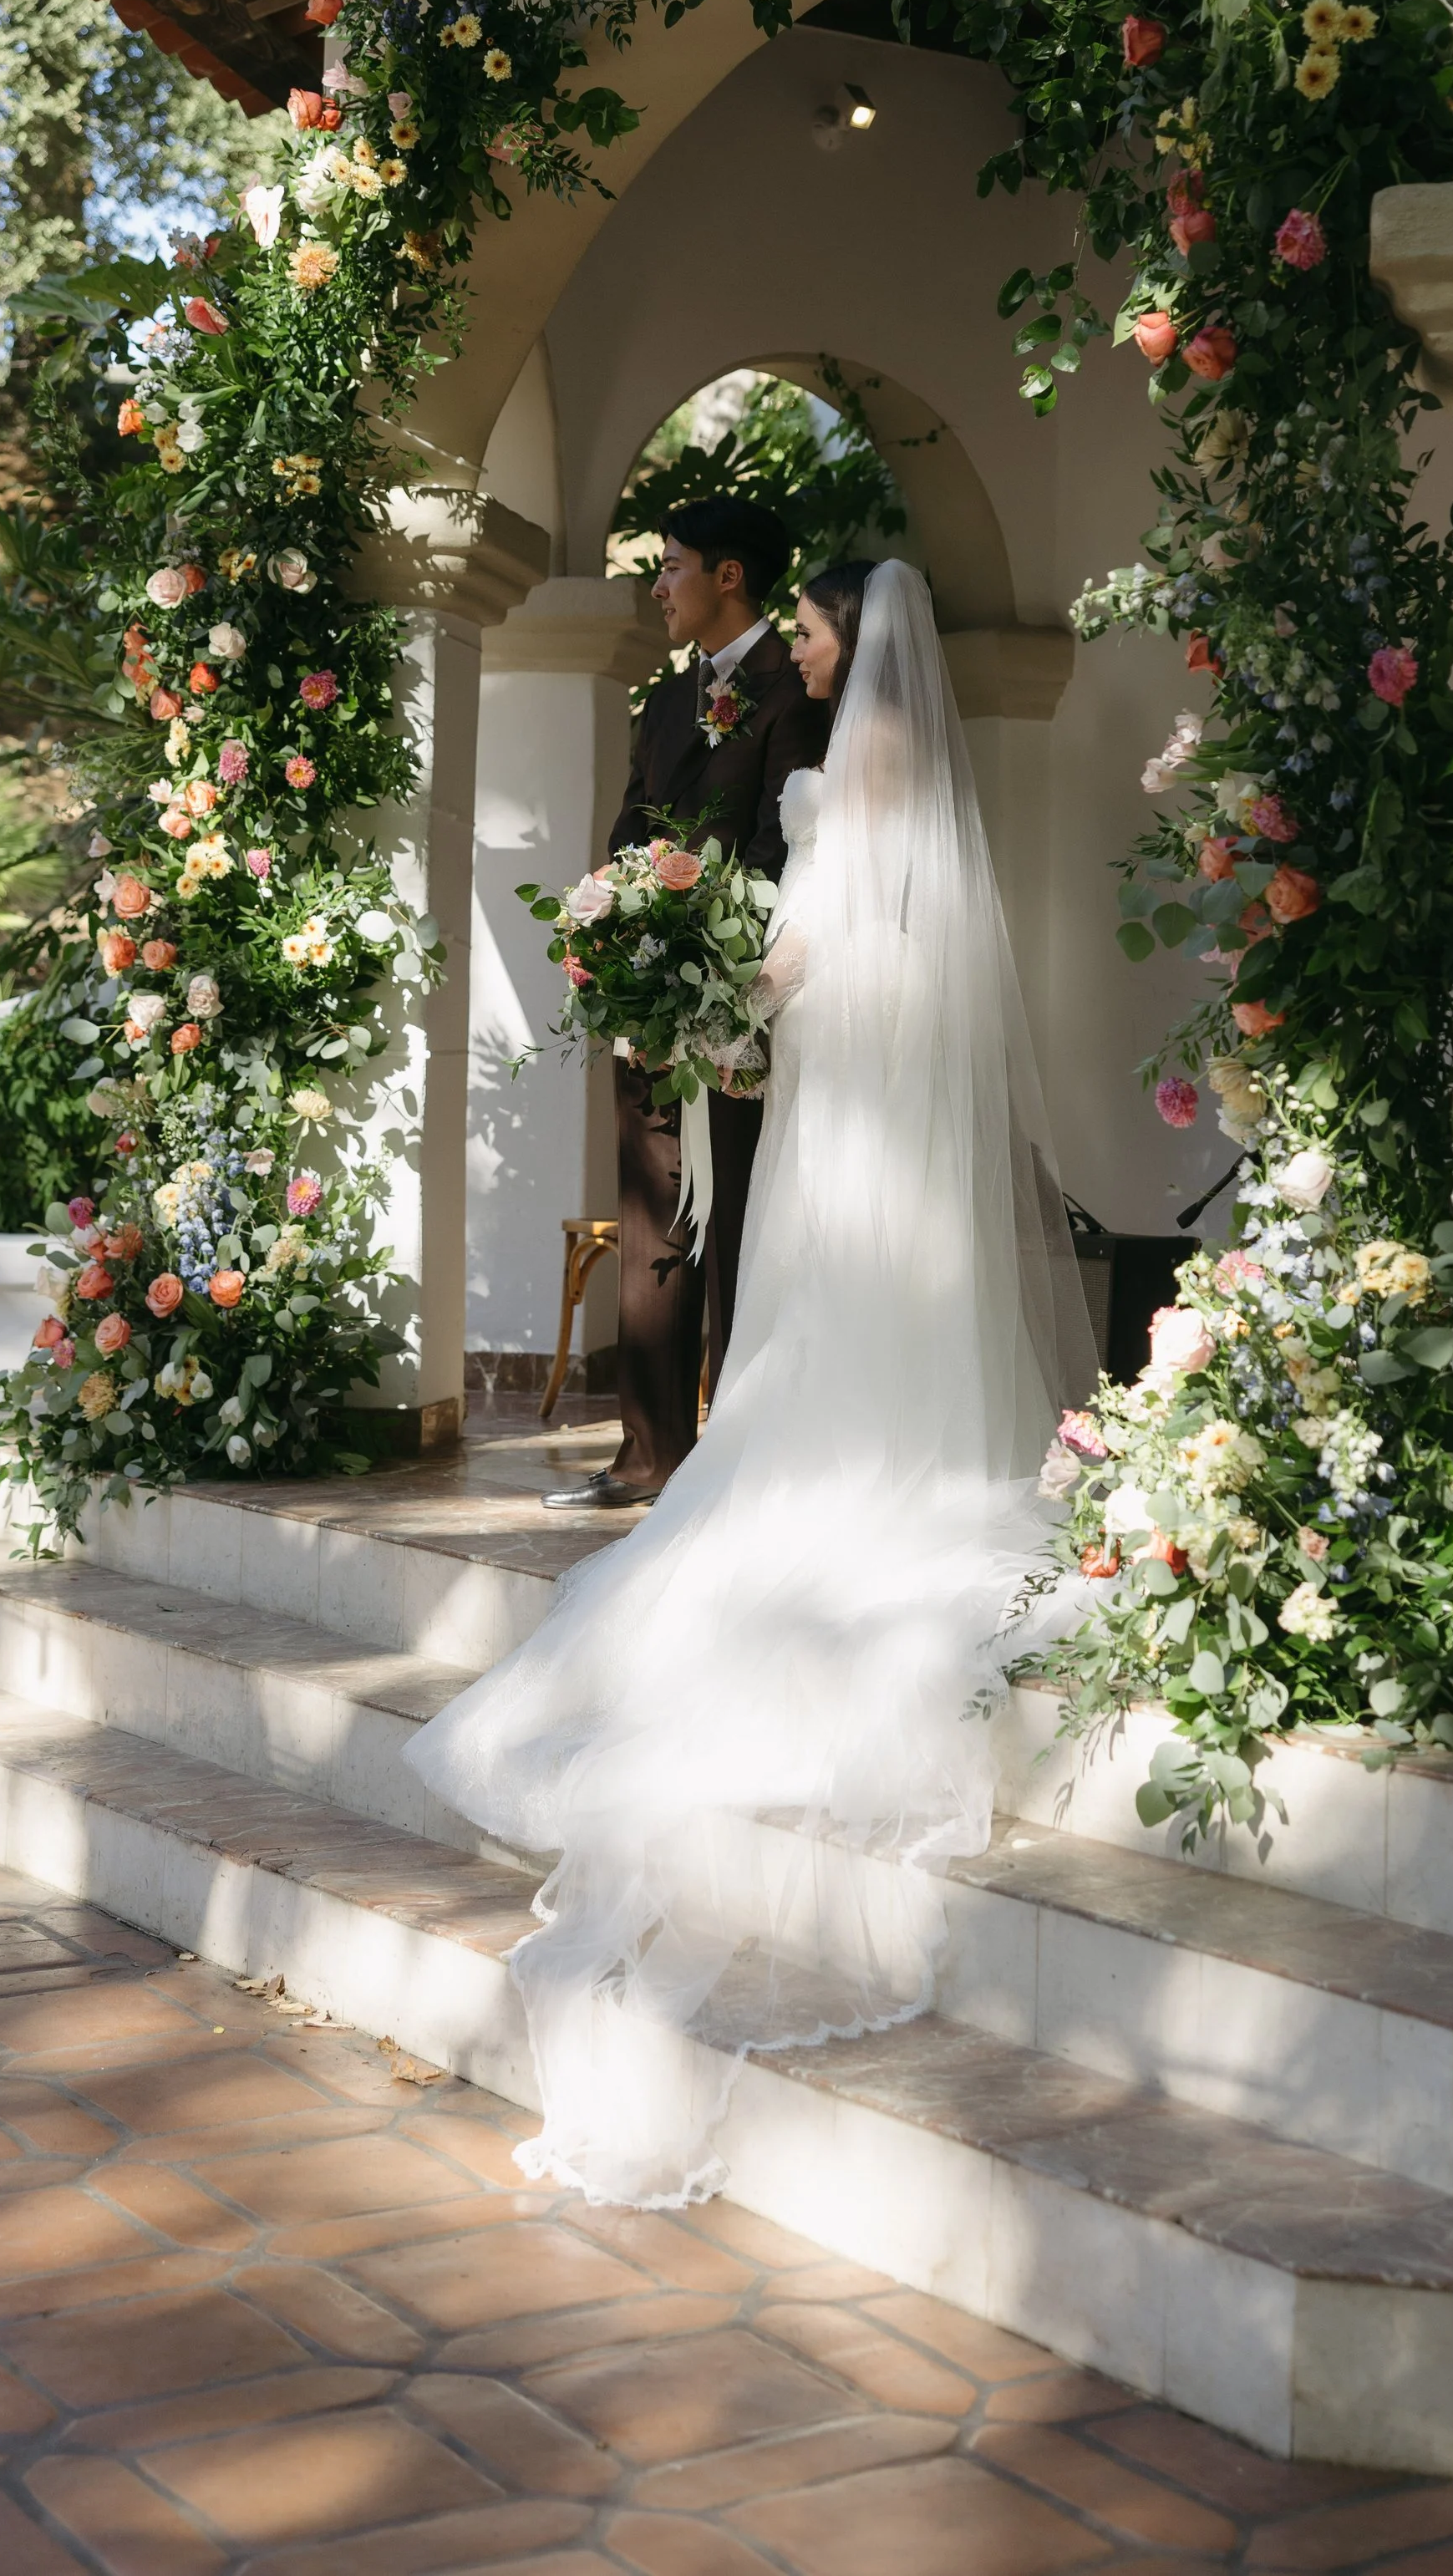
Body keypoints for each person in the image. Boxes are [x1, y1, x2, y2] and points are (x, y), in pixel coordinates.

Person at [409, 558, 1095, 2208]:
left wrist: (707, 994)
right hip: (883, 1115)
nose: (790, 641)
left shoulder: (855, 765)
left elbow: (797, 952)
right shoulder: (919, 770)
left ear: (852, 643)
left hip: (836, 1111)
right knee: (863, 1335)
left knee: (802, 1345)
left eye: (804, 623)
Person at [545, 493, 827, 1514]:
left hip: (744, 1011)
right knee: (652, 1215)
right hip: (649, 1008)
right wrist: (615, 947)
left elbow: (781, 850)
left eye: (670, 567)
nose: (656, 586)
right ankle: (647, 1454)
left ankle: (742, 1462)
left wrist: (712, 974)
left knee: (742, 1225)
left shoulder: (795, 693)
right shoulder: (661, 706)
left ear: (728, 576)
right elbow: (628, 838)